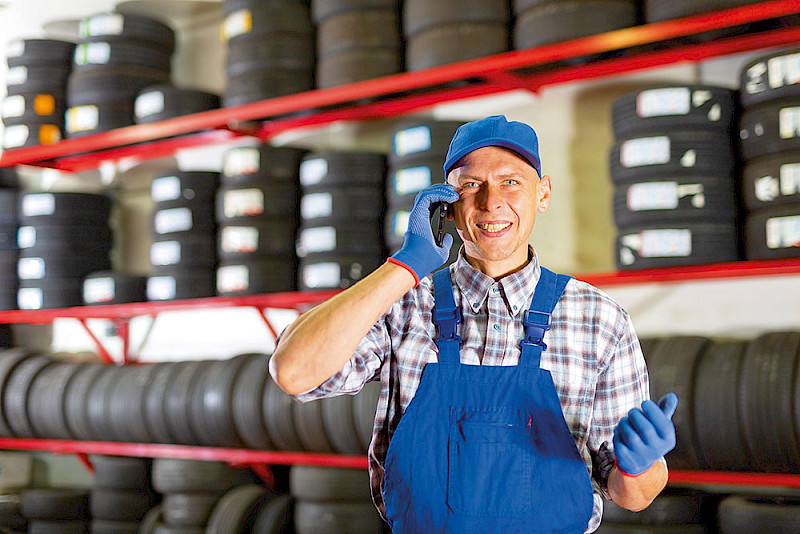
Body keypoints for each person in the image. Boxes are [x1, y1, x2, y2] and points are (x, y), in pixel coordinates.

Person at [270, 115, 677, 533]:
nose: (490, 202)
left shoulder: (599, 319)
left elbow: (636, 496)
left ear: (543, 193)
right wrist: (403, 267)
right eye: (470, 185)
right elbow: (293, 371)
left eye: (511, 182)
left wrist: (637, 467)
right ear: (446, 202)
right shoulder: (405, 305)